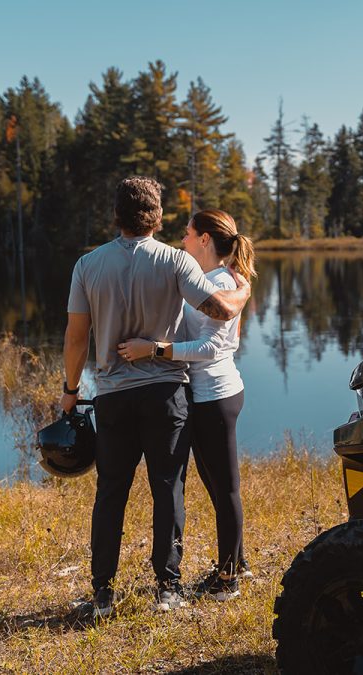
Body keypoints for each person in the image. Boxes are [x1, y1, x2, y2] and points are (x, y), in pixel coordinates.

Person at [61, 177, 250, 619]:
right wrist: (240, 288)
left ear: (116, 215)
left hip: (111, 395)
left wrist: (71, 392)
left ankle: (103, 594)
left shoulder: (87, 266)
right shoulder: (176, 261)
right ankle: (168, 589)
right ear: (157, 216)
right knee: (168, 488)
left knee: (110, 493)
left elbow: (75, 339)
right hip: (166, 395)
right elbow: (221, 311)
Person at [118, 209, 255, 602]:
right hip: (203, 393)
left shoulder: (222, 282)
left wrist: (156, 350)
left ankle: (228, 580)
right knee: (214, 485)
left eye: (189, 233)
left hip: (216, 395)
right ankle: (237, 561)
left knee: (225, 488)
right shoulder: (216, 280)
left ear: (206, 240)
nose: (182, 240)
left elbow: (215, 346)